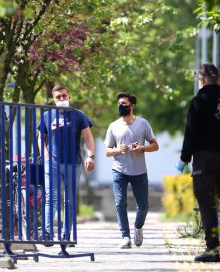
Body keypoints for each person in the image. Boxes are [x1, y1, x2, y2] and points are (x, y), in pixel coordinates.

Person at [178, 62, 220, 263]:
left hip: (204, 159)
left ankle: (212, 250)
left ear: (203, 79)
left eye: (199, 78)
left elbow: (191, 132)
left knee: (207, 205)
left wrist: (184, 158)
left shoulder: (199, 101)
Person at [36, 84, 95, 244]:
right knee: (51, 199)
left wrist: (90, 156)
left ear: (69, 97)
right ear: (53, 100)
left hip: (73, 163)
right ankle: (47, 233)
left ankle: (66, 235)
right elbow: (41, 137)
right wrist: (45, 155)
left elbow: (89, 137)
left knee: (69, 200)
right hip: (52, 163)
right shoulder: (47, 116)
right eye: (58, 97)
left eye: (64, 96)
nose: (62, 99)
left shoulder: (78, 115)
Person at [104, 92, 159, 249]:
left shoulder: (143, 124)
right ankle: (125, 237)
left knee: (143, 206)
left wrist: (142, 148)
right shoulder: (113, 126)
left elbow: (155, 146)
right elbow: (107, 151)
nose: (121, 106)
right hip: (119, 170)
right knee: (120, 203)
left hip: (139, 171)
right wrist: (118, 150)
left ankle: (138, 227)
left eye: (124, 103)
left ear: (132, 106)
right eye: (119, 103)